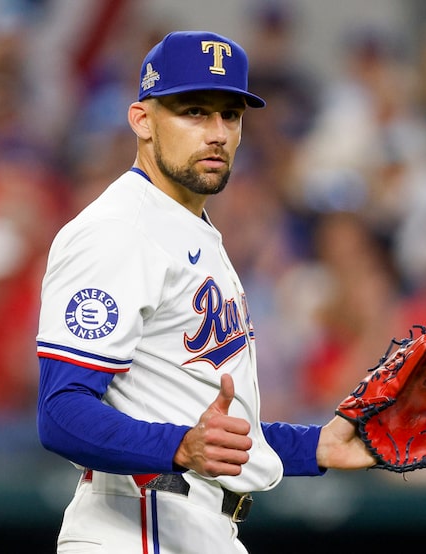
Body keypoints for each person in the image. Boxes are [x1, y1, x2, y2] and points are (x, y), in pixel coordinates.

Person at [35, 30, 375, 554]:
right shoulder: (119, 229)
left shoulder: (189, 228)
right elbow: (61, 412)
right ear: (142, 120)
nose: (217, 132)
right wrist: (180, 447)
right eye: (194, 112)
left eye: (230, 115)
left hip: (199, 527)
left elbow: (204, 421)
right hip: (138, 525)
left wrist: (318, 447)